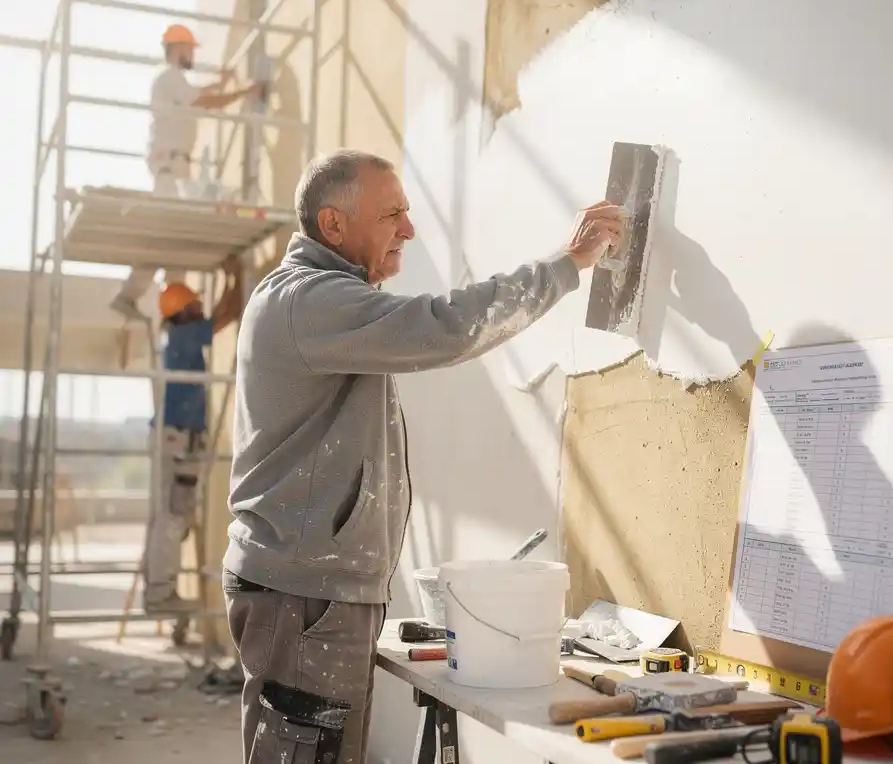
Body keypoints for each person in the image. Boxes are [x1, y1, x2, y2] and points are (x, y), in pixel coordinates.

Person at [222, 148, 624, 763]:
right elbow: (446, 325)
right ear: (333, 225)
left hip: (310, 589)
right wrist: (569, 264)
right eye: (392, 214)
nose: (408, 229)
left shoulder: (318, 303)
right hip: (302, 592)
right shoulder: (311, 301)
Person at [110, 23, 264, 322]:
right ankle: (128, 294)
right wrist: (245, 91)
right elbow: (203, 102)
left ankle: (169, 307)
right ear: (177, 49)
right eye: (190, 49)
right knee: (164, 236)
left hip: (173, 167)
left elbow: (198, 95)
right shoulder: (169, 77)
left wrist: (221, 85)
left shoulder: (172, 82)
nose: (192, 54)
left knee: (172, 242)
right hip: (170, 168)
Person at [143, 257, 243, 614]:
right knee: (173, 516)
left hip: (175, 435)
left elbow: (219, 316)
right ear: (183, 311)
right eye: (195, 302)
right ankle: (158, 595)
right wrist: (235, 279)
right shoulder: (183, 335)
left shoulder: (174, 337)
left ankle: (158, 591)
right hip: (178, 438)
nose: (200, 306)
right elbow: (226, 316)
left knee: (171, 516)